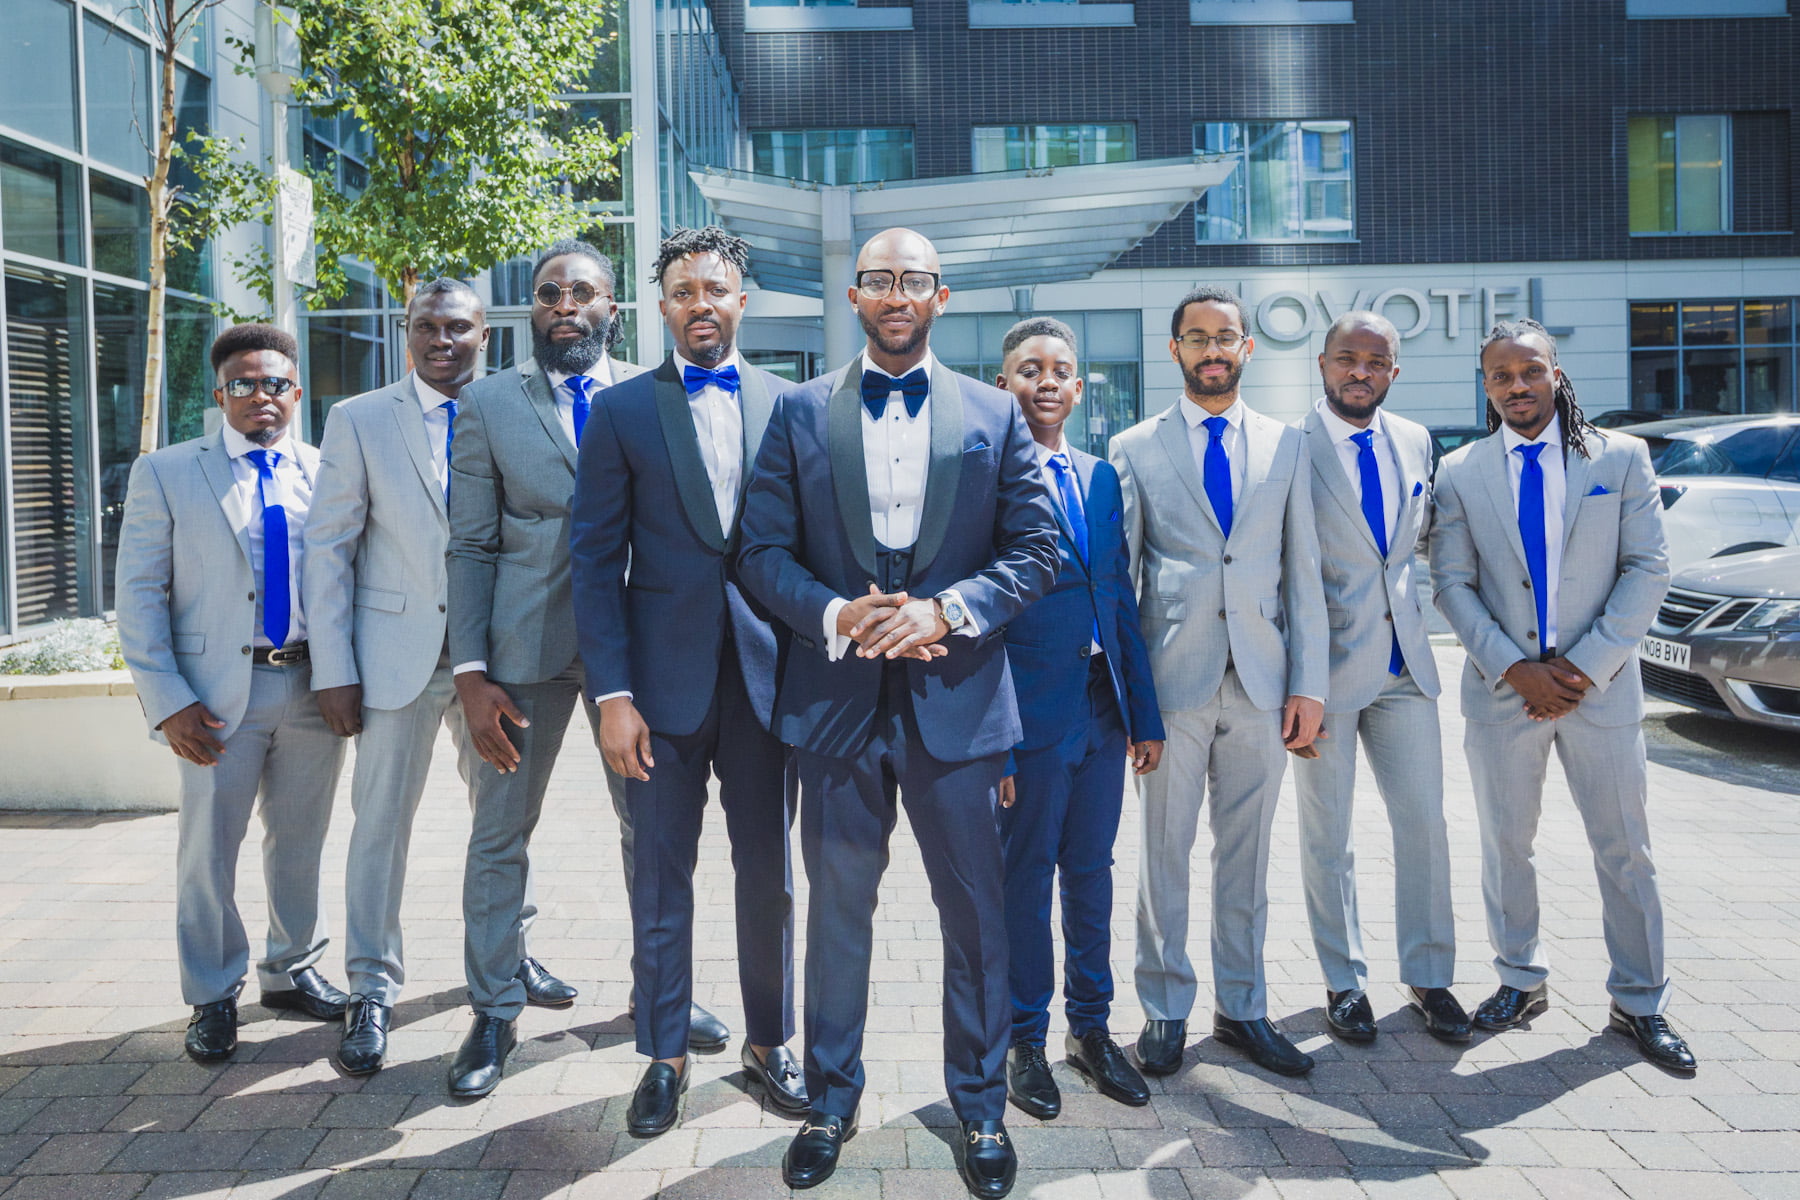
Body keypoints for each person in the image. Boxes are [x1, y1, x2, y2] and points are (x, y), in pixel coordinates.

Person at [737, 228, 1058, 1198]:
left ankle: (982, 1109)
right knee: (838, 915)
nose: (896, 294)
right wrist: (839, 614)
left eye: (914, 280)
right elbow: (759, 553)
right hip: (833, 707)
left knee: (976, 919)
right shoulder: (798, 413)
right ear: (855, 296)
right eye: (879, 279)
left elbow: (1037, 552)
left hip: (959, 708)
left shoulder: (996, 416)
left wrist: (945, 611)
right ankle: (832, 1101)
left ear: (941, 295)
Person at [446, 239, 729, 1099]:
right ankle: (493, 1010)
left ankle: (662, 999)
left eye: (582, 293)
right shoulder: (488, 404)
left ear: (614, 308)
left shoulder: (658, 396)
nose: (564, 305)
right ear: (530, 312)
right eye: (546, 295)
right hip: (519, 654)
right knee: (500, 833)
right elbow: (470, 543)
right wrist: (469, 670)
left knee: (655, 835)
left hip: (632, 657)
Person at [304, 279, 577, 1075]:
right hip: (397, 662)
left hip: (498, 660)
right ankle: (370, 990)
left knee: (502, 822)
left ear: (485, 335)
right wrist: (334, 668)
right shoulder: (358, 419)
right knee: (380, 828)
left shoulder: (513, 407)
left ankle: (508, 956)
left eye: (458, 327)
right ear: (406, 331)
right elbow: (329, 549)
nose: (441, 340)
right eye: (427, 326)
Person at [569, 227, 805, 1135]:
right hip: (656, 698)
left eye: (716, 288)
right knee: (662, 878)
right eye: (682, 291)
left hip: (765, 686)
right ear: (660, 305)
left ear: (743, 300)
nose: (700, 303)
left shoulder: (792, 404)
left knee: (769, 876)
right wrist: (613, 697)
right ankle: (663, 1054)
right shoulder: (623, 412)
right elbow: (595, 564)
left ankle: (768, 1041)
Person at [1431, 318, 1695, 1073]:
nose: (1517, 386)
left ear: (1556, 373)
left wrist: (1582, 668)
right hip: (1502, 691)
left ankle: (1640, 1001)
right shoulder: (1460, 471)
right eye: (1500, 376)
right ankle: (1520, 979)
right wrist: (1515, 669)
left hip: (1600, 692)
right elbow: (1450, 582)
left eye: (1530, 371)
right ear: (1485, 387)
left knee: (1626, 849)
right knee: (1506, 844)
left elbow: (1648, 568)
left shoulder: (1620, 457)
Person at [1109, 285, 1327, 1079]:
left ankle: (1242, 1007)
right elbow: (1123, 584)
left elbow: (1303, 573)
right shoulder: (1134, 447)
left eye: (1224, 337)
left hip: (1264, 687)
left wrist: (1309, 686)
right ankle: (1164, 1009)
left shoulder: (1288, 445)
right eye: (1195, 338)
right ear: (1174, 350)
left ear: (1248, 347)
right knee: (1163, 855)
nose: (1211, 350)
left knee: (1247, 857)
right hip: (1172, 686)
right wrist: (1134, 706)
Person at [116, 323, 348, 1063]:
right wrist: (168, 700)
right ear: (219, 394)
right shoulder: (169, 471)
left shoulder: (325, 469)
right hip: (217, 695)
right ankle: (213, 993)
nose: (261, 396)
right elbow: (140, 595)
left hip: (311, 684)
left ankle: (291, 969)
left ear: (296, 391)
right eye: (243, 384)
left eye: (275, 382)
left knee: (301, 841)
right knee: (209, 851)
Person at [989, 317, 1164, 1120]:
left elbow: (1118, 597)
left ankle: (1090, 1032)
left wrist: (1144, 714)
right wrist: (988, 737)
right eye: (1030, 369)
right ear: (1004, 385)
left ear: (1080, 386)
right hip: (1027, 715)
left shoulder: (1099, 477)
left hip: (1102, 707)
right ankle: (1023, 1039)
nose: (1047, 381)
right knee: (1025, 882)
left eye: (1061, 369)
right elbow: (979, 617)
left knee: (1090, 875)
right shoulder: (982, 471)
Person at [1293, 311, 1468, 1045]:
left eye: (1376, 360)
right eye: (1346, 358)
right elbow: (1285, 575)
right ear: (1323, 364)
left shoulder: (1415, 440)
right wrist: (1297, 683)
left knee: (1424, 824)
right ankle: (1343, 981)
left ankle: (1429, 977)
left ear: (1394, 372)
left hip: (1406, 668)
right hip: (1323, 675)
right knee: (1327, 836)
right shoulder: (1288, 447)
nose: (1359, 371)